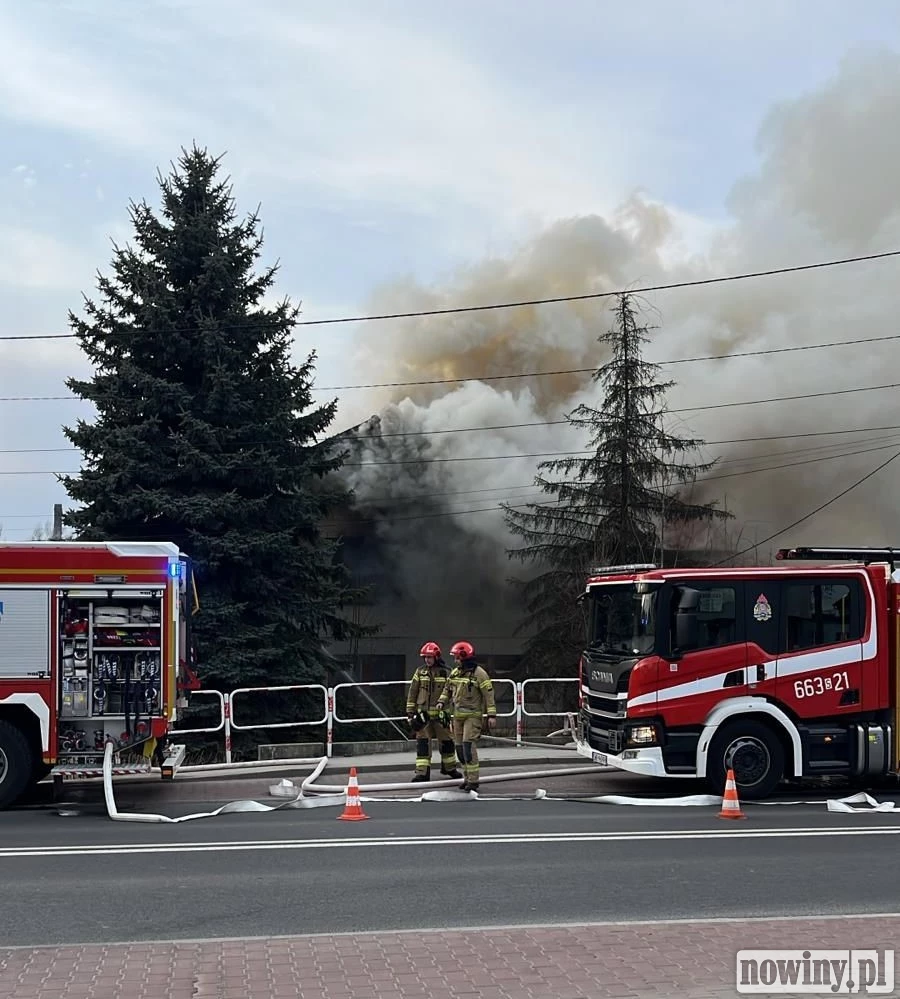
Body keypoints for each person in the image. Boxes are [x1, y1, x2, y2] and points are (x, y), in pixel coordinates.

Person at [435, 640, 497, 793]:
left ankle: (473, 780)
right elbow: (447, 689)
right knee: (460, 749)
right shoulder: (456, 673)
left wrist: (491, 715)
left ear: (465, 657)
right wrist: (441, 702)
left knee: (468, 747)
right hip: (457, 717)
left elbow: (489, 695)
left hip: (472, 716)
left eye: (457, 658)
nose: (455, 661)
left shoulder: (479, 674)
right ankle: (466, 778)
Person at [405, 642, 463, 783]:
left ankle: (449, 768)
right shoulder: (420, 672)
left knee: (448, 743)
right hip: (423, 716)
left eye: (429, 657)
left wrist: (451, 713)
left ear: (436, 657)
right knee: (423, 744)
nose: (427, 660)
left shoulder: (447, 672)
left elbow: (452, 693)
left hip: (441, 715)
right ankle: (422, 773)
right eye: (425, 657)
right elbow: (413, 692)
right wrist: (410, 712)